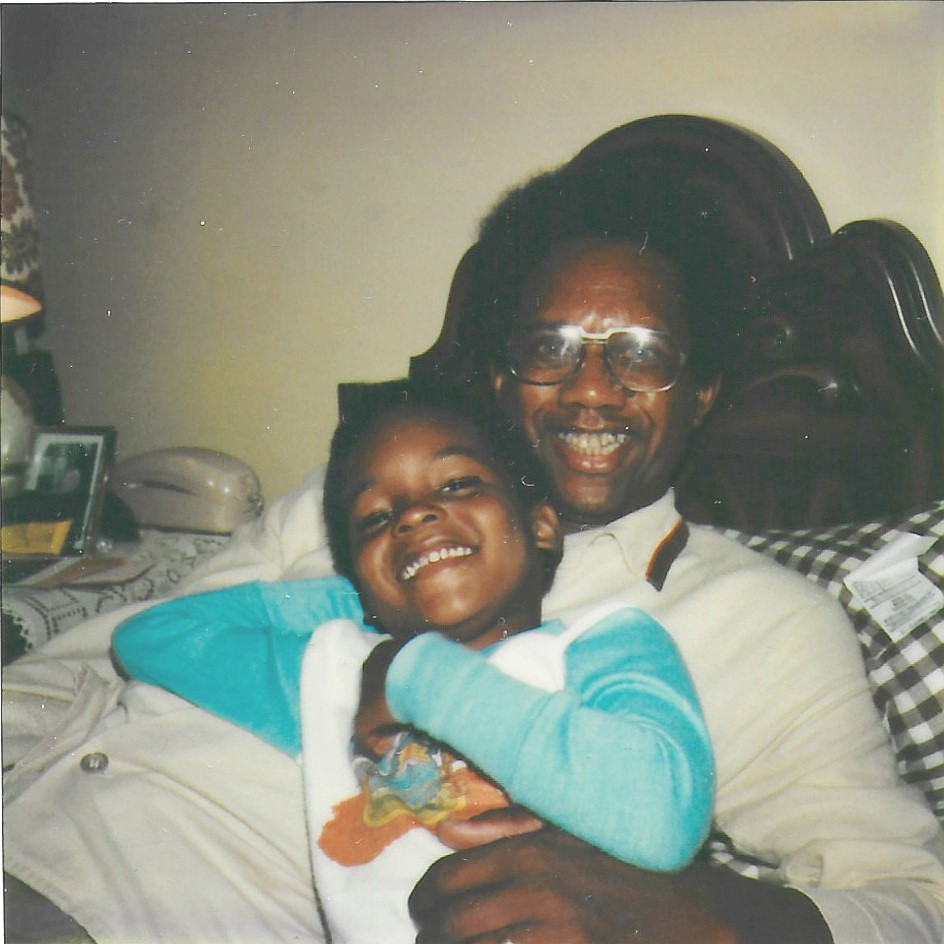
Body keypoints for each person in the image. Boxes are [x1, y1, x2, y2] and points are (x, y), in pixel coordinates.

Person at [3, 164, 943, 944]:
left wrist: (700, 919)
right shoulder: (367, 494)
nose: (591, 389)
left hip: (129, 907)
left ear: (699, 393)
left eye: (642, 353)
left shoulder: (760, 622)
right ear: (502, 379)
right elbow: (114, 652)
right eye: (551, 348)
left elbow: (913, 901)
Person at [110, 400, 715, 943]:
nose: (414, 514)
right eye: (375, 519)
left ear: (540, 525)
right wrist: (365, 603)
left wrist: (413, 671)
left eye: (457, 484)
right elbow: (152, 636)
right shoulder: (339, 673)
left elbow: (661, 820)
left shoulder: (602, 642)